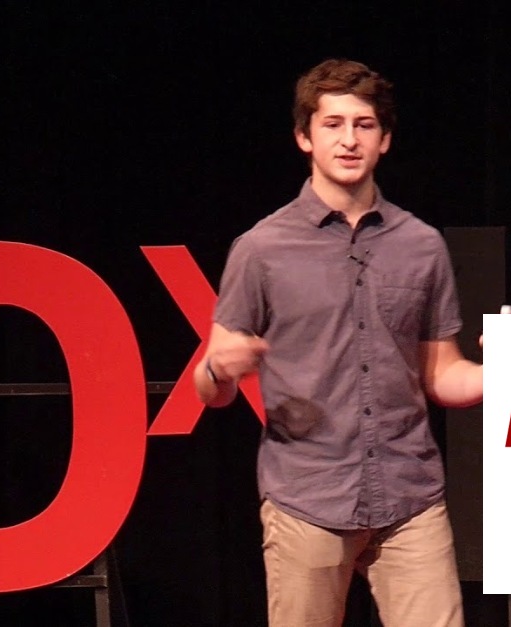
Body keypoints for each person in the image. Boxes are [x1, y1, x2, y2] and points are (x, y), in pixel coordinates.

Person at [194, 59, 482, 627]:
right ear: (305, 137)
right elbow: (211, 389)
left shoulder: (421, 245)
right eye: (332, 124)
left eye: (364, 125)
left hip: (410, 497)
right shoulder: (261, 248)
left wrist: (508, 371)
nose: (349, 139)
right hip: (308, 498)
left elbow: (442, 374)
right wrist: (219, 370)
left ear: (384, 139)